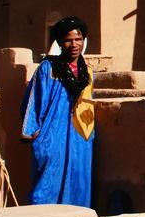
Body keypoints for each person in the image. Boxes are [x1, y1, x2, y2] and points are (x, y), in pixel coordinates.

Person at [20, 16, 95, 206]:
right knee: (47, 183)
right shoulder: (48, 67)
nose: (74, 44)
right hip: (53, 134)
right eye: (69, 39)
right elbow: (34, 100)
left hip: (80, 135)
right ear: (61, 42)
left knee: (79, 179)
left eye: (78, 39)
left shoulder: (87, 71)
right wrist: (34, 132)